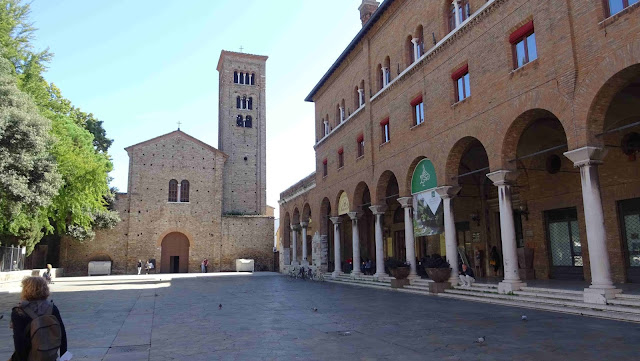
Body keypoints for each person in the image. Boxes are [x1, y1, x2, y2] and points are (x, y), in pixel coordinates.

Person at [10, 276, 67, 361]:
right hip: (49, 355)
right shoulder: (52, 308)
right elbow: (62, 333)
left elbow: (19, 342)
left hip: (29, 356)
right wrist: (64, 355)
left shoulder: (19, 311)